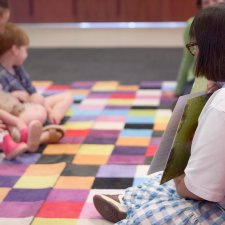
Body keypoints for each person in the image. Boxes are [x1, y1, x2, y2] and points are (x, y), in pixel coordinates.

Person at [93, 3, 225, 224]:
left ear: (211, 48)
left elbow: (198, 191)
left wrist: (180, 177)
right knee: (161, 180)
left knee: (169, 197)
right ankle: (131, 201)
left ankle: (134, 205)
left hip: (215, 201)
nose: (195, 53)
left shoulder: (221, 106)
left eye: (196, 46)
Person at [175, 0, 225, 96]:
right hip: (200, 74)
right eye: (206, 2)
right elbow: (187, 58)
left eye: (215, 0)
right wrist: (179, 88)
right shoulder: (193, 24)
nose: (211, 4)